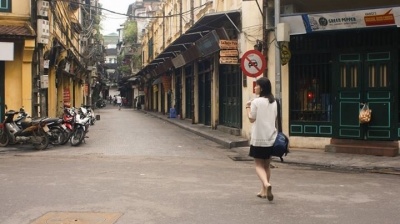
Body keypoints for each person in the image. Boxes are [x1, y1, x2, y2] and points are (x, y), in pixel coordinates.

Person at [246, 77, 277, 201]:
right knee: (267, 165)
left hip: (258, 137)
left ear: (262, 88)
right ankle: (263, 191)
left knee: (258, 165)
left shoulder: (256, 102)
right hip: (270, 137)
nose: (255, 87)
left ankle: (266, 184)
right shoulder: (274, 102)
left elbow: (251, 118)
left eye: (256, 85)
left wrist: (247, 108)